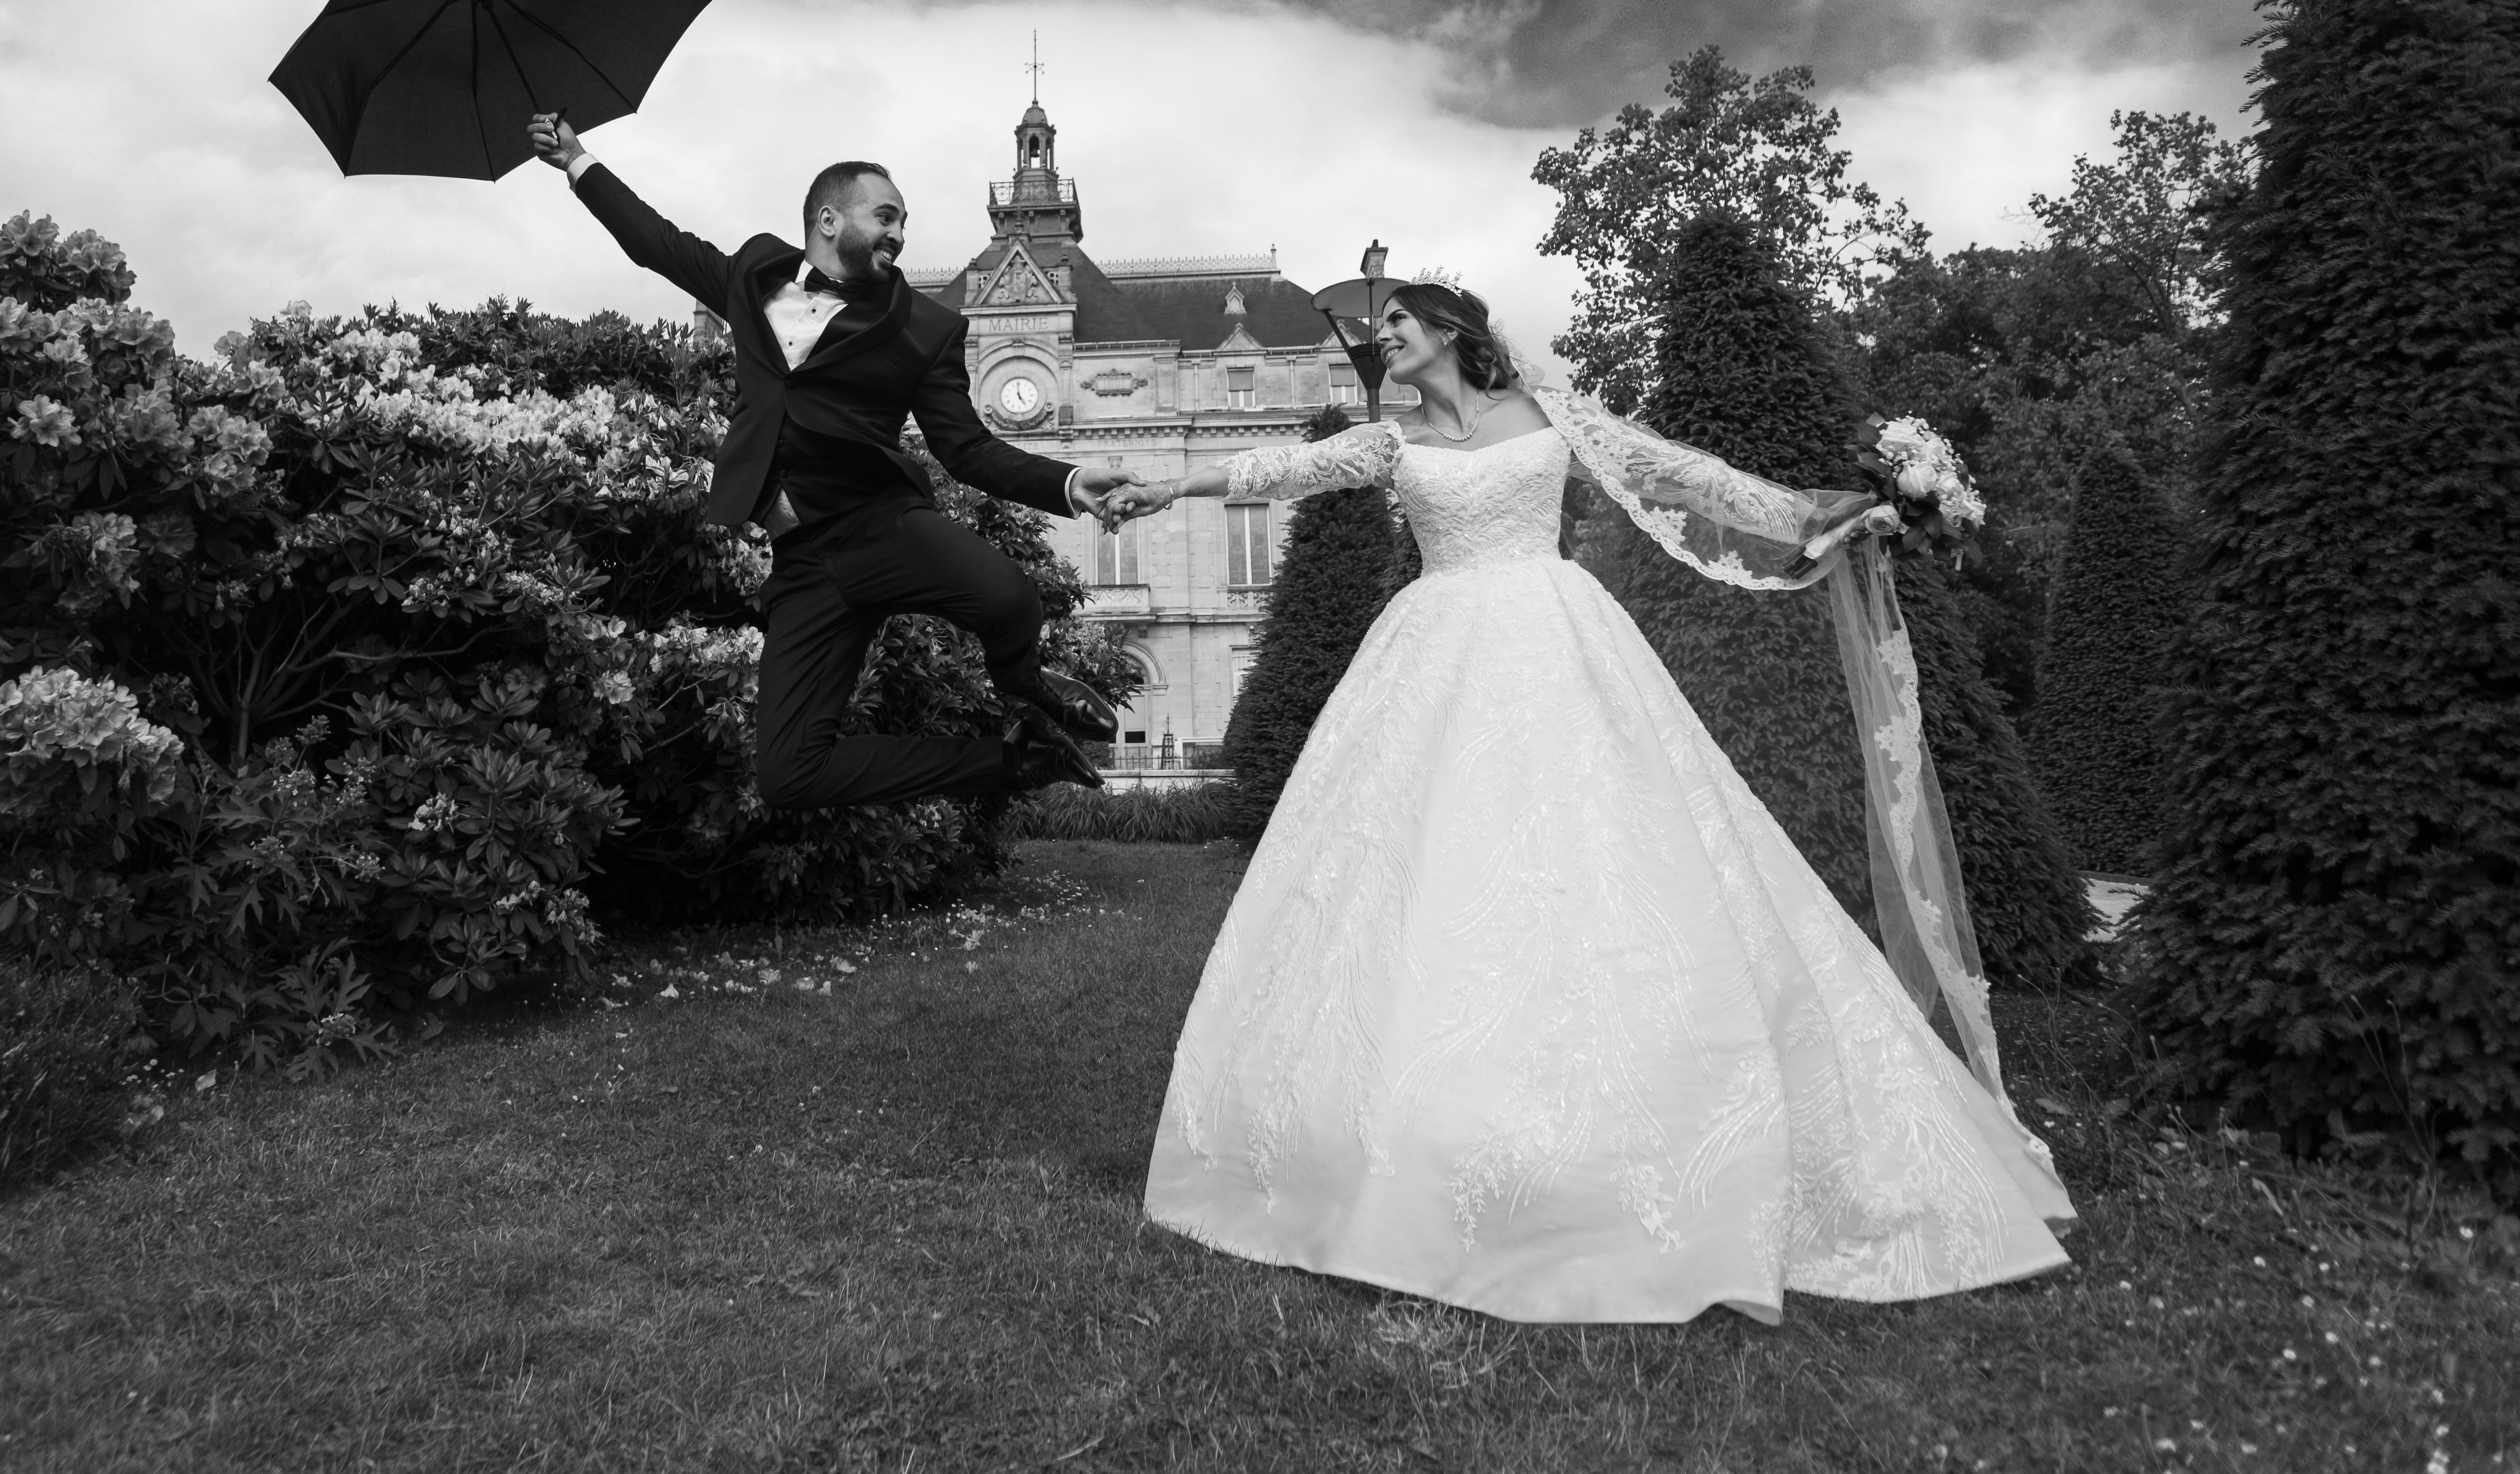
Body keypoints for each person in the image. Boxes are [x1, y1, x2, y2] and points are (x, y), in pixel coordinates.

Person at [1102, 282, 2073, 1324]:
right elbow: (1282, 467)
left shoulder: (1553, 411)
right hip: (1431, 655)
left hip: (1558, 637)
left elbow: (1671, 470)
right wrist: (1167, 490)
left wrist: (1805, 512)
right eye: (1381, 327)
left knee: (1603, 853)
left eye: (1399, 322)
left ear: (1454, 334)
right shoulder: (1390, 444)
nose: (1381, 335)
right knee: (1422, 872)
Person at [528, 112, 1136, 803]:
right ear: (827, 219)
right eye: (886, 217)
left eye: (904, 222)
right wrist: (580, 163)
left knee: (1009, 598)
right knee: (789, 774)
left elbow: (965, 450)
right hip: (805, 561)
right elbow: (656, 244)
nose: (900, 236)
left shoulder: (924, 327)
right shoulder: (752, 278)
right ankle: (1019, 764)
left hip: (879, 525)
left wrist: (1070, 480)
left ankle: (1026, 688)